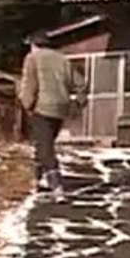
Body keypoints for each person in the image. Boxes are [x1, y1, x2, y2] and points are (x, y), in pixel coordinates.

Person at [19, 32, 85, 202]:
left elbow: (30, 84)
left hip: (42, 108)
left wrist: (26, 105)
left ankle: (57, 186)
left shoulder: (32, 58)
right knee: (43, 143)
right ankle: (35, 181)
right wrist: (79, 102)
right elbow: (80, 83)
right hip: (60, 108)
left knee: (45, 147)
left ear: (34, 44)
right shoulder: (63, 59)